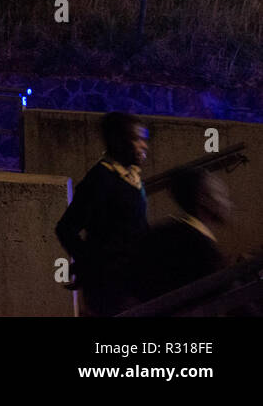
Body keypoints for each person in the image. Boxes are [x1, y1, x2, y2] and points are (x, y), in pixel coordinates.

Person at [56, 112, 149, 315]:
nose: (144, 146)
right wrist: (91, 264)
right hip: (111, 287)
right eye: (137, 139)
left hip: (130, 279)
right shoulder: (100, 180)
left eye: (144, 139)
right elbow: (66, 228)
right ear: (118, 141)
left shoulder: (130, 176)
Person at [132, 167, 229, 303]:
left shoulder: (161, 233)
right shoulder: (202, 249)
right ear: (203, 199)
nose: (226, 201)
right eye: (220, 193)